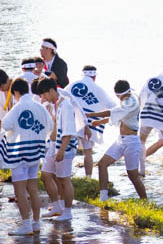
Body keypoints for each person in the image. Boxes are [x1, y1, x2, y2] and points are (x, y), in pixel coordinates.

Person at [2, 78, 53, 235]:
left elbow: (5, 125)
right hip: (35, 153)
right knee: (33, 189)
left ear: (16, 92)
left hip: (20, 155)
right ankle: (36, 223)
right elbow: (50, 126)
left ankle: (25, 225)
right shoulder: (40, 107)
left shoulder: (18, 107)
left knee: (19, 191)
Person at [87, 80, 146, 201]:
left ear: (118, 94)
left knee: (133, 176)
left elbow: (111, 112)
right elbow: (117, 114)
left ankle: (145, 201)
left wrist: (90, 115)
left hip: (132, 142)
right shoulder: (127, 99)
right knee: (102, 164)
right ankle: (103, 197)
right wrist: (99, 122)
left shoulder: (131, 102)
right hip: (121, 140)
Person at [38, 78, 81, 222]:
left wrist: (62, 150)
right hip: (53, 145)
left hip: (64, 147)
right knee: (45, 175)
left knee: (64, 179)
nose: (44, 98)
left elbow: (68, 131)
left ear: (52, 91)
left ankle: (67, 212)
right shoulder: (55, 105)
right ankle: (57, 207)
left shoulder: (66, 105)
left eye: (44, 95)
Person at [67, 65, 116, 178]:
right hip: (88, 121)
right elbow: (112, 106)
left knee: (67, 148)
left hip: (72, 119)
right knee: (87, 152)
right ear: (94, 76)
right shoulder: (97, 88)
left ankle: (66, 174)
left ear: (83, 74)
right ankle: (88, 177)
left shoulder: (72, 85)